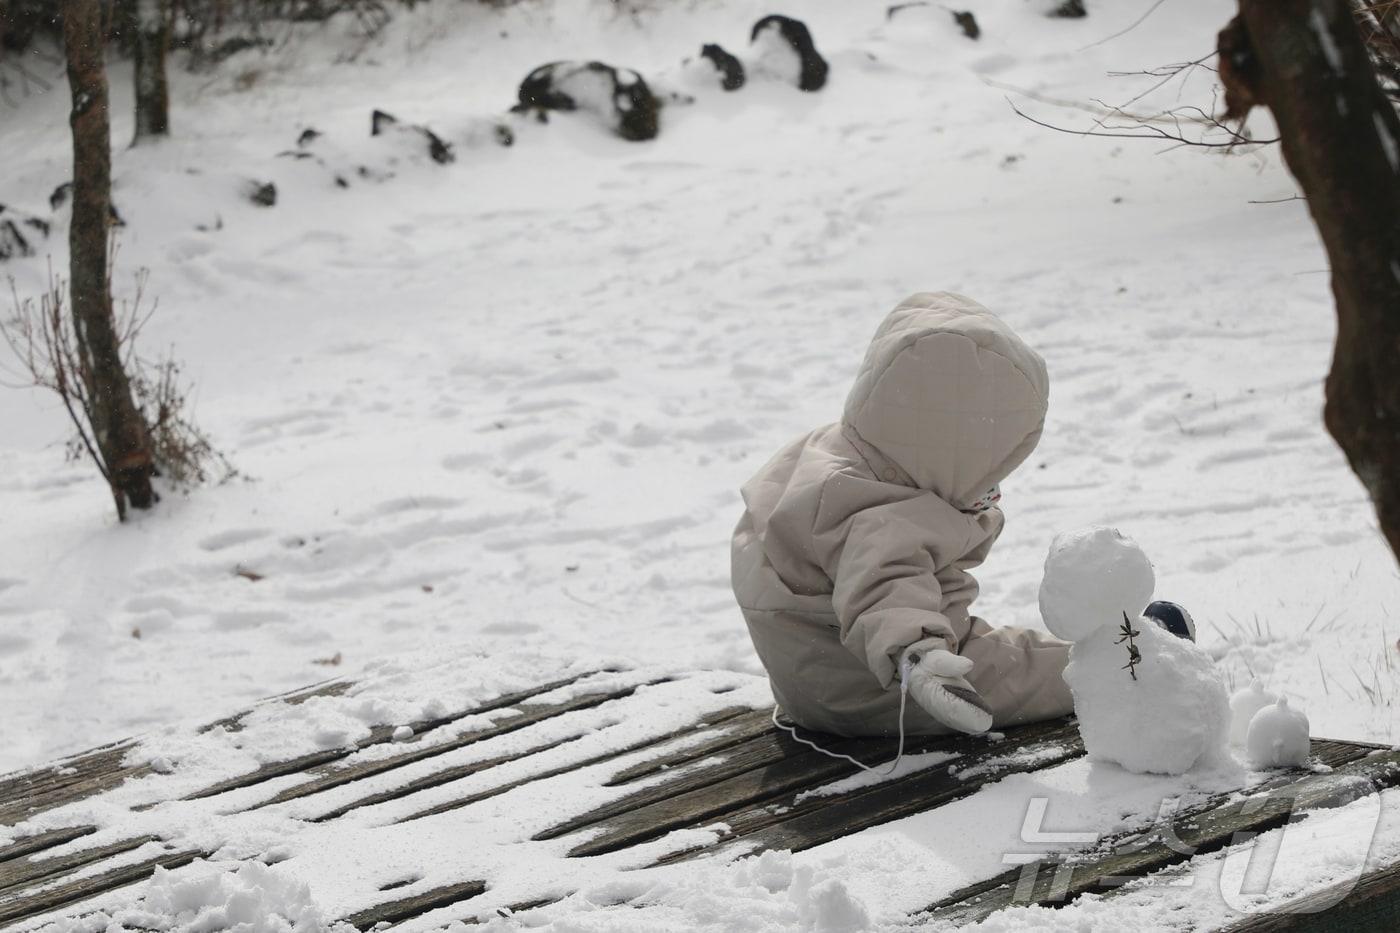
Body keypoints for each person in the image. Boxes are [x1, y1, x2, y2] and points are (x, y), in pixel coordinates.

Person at [730, 292, 1074, 737]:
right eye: (990, 468)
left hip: (814, 667)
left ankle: (1116, 651)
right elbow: (882, 588)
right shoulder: (885, 513)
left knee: (1007, 654)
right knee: (1025, 675)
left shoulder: (835, 457)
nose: (993, 489)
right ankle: (1124, 664)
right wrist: (922, 658)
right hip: (887, 686)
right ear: (955, 443)